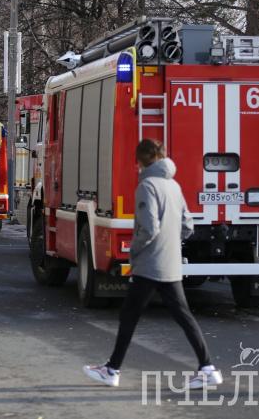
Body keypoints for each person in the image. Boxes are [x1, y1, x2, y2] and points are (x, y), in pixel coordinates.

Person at [83, 139, 222, 389]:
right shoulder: (174, 186)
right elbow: (188, 226)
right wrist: (170, 243)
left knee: (129, 316)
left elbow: (148, 228)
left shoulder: (147, 186)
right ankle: (207, 368)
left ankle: (112, 370)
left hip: (149, 264)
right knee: (183, 315)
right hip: (170, 263)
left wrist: (134, 252)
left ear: (140, 160)